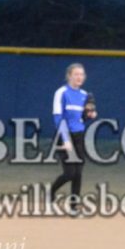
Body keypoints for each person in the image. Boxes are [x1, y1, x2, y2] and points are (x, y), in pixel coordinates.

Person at [50, 63, 95, 211]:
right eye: (76, 74)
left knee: (78, 173)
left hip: (79, 136)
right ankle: (51, 191)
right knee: (70, 173)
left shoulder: (84, 95)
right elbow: (58, 118)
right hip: (64, 135)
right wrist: (66, 139)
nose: (79, 77)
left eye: (82, 74)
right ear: (69, 76)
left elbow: (81, 118)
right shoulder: (61, 92)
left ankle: (73, 206)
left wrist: (89, 116)